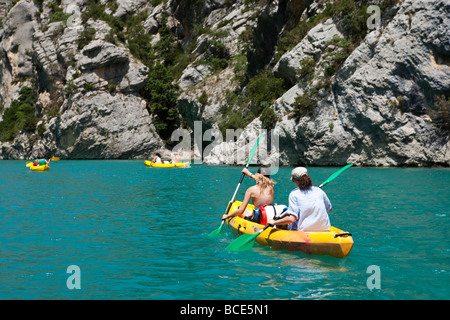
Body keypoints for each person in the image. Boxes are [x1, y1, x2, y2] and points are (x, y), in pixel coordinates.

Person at [267, 167, 332, 232]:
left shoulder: (294, 194)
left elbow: (291, 219)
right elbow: (329, 209)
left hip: (304, 230)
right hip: (325, 228)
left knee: (283, 221)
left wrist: (274, 222)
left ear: (294, 180)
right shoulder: (319, 191)